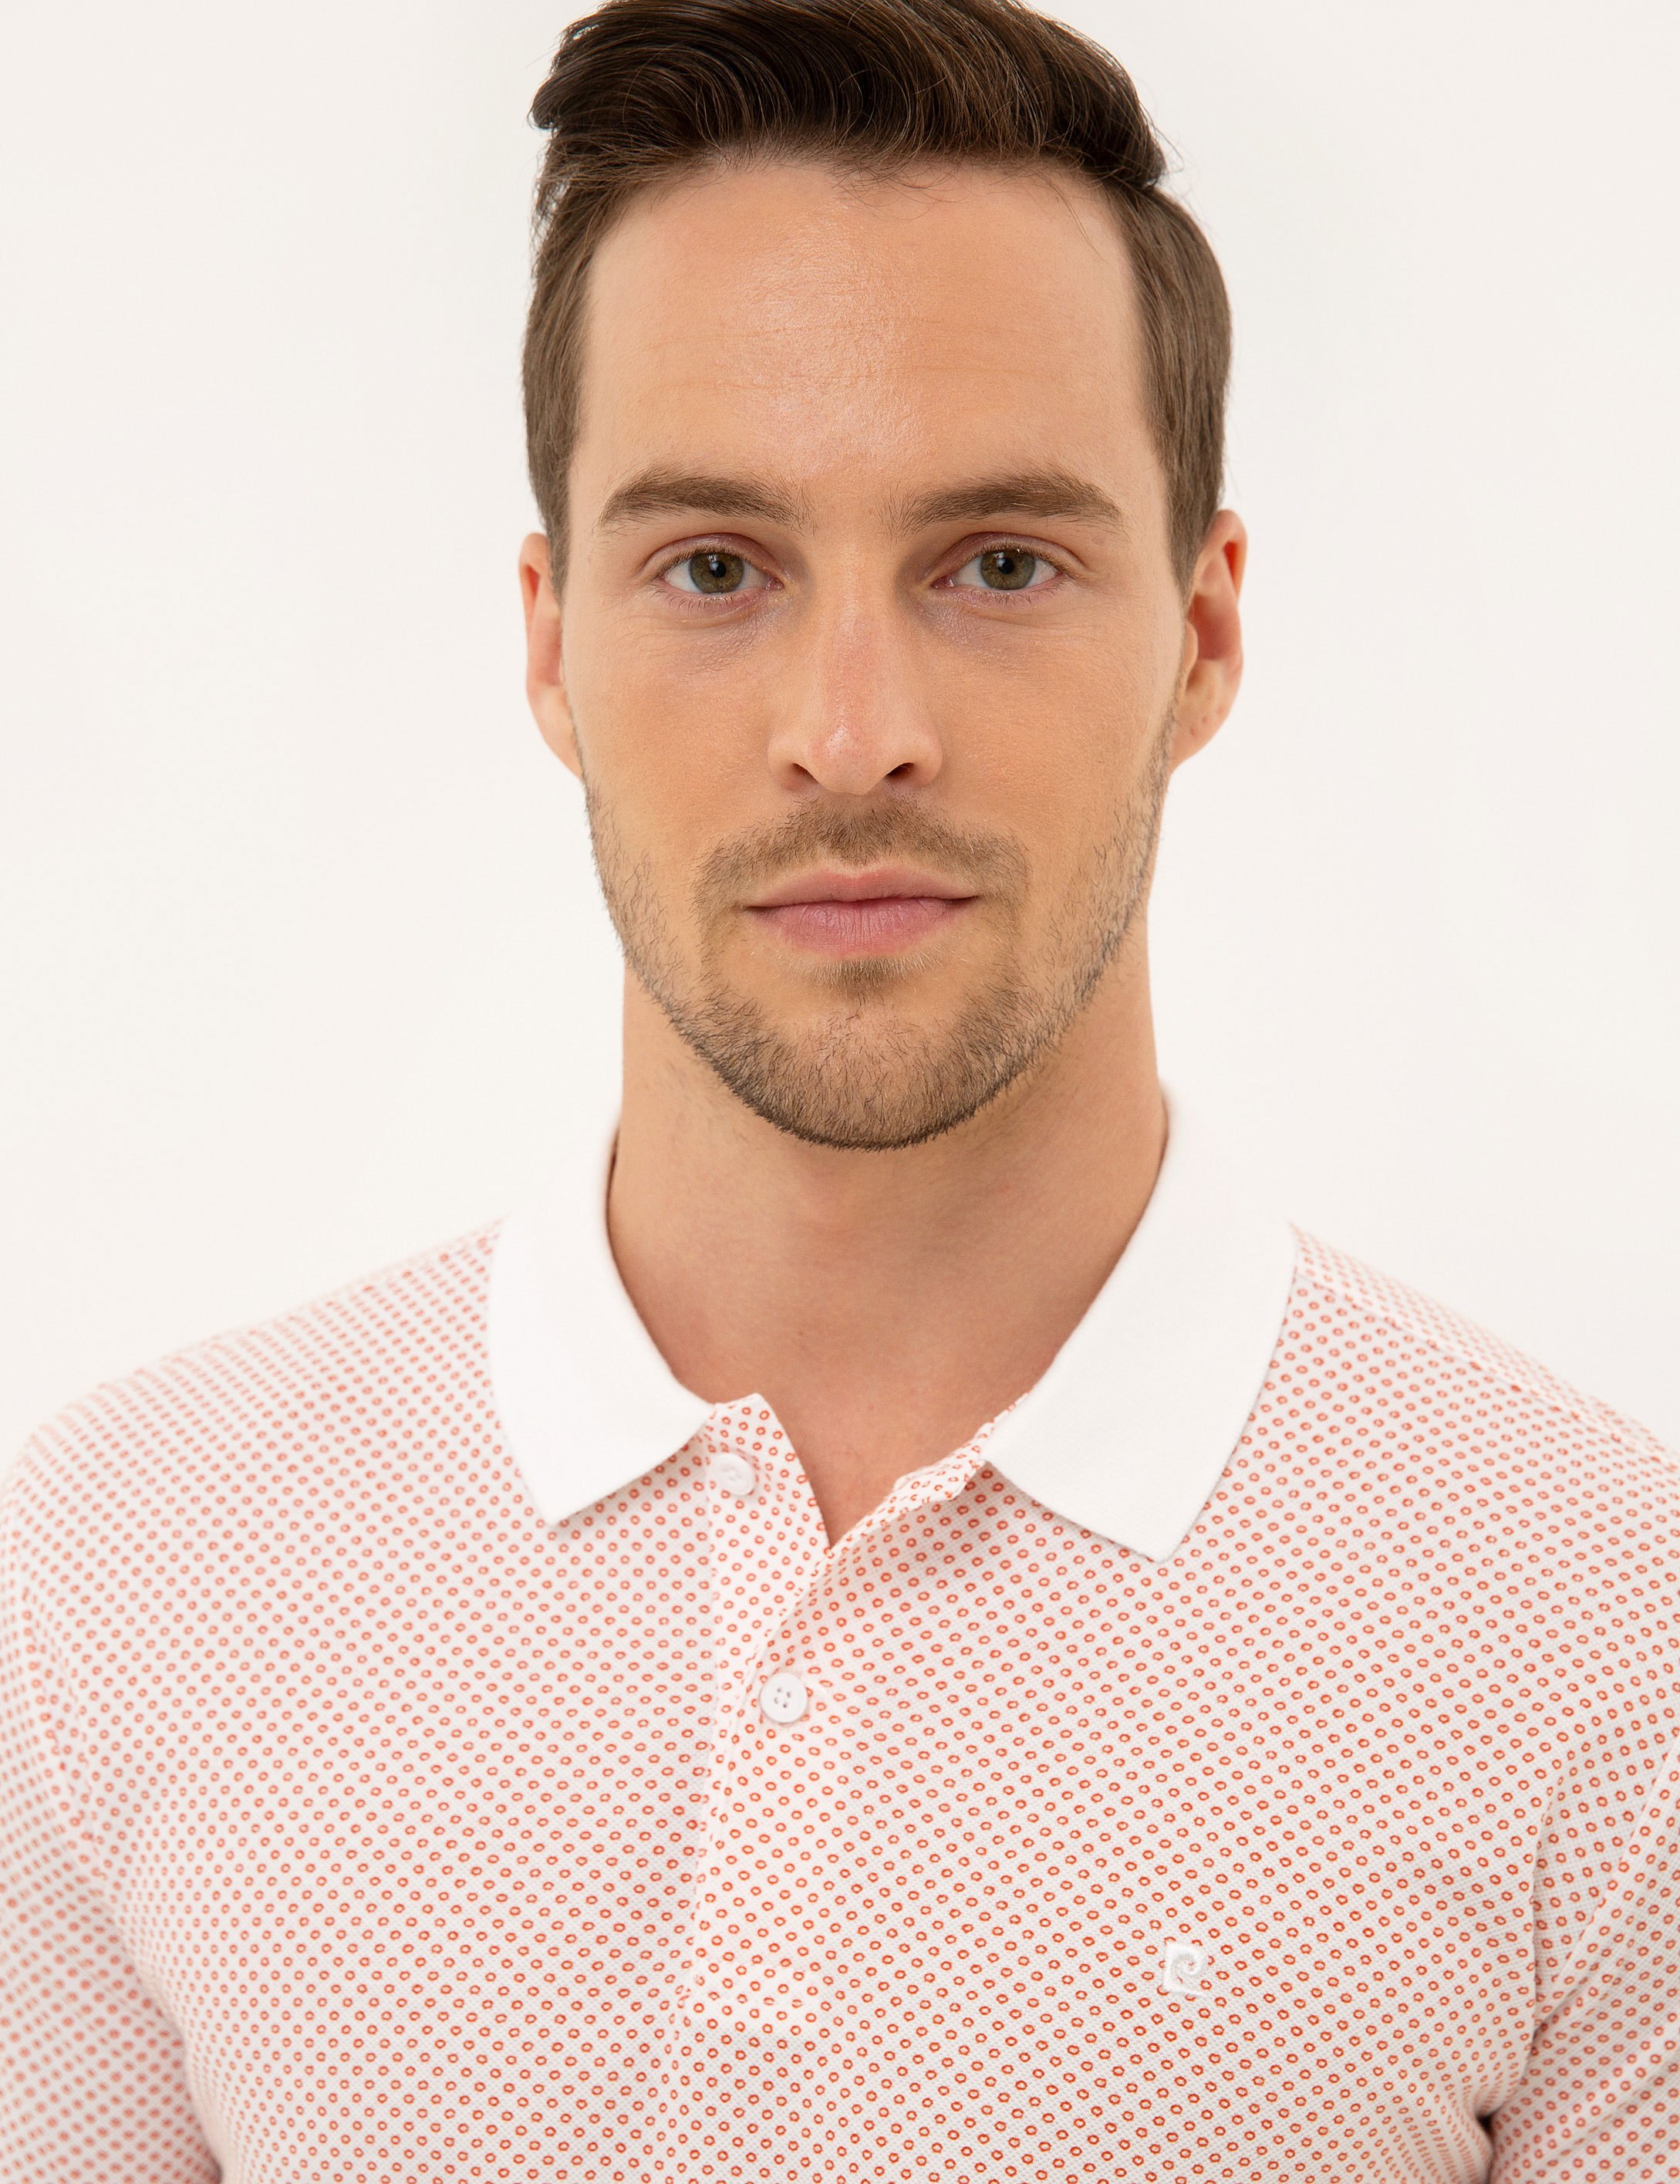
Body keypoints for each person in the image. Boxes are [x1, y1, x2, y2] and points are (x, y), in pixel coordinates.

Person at [3, 0, 1677, 2173]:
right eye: (716, 567)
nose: (851, 727)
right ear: (551, 643)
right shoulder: (115, 1577)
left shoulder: (1604, 1633)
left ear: (1199, 636)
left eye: (1000, 563)